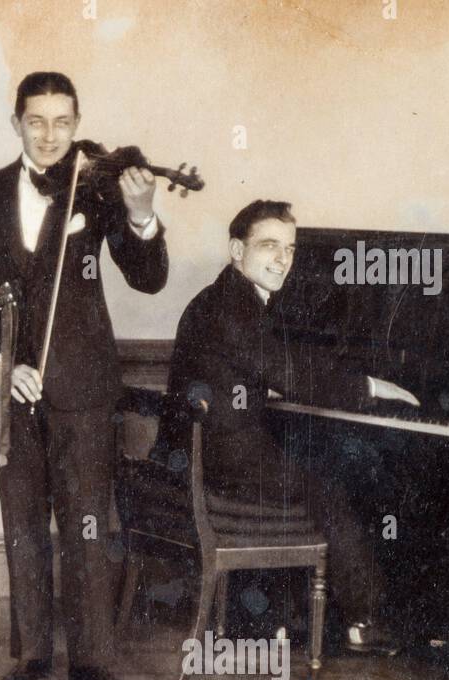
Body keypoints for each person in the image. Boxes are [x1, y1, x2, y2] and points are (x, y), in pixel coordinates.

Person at [0, 72, 170, 680]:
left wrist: (143, 216)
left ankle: (94, 661)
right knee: (22, 522)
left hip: (86, 385)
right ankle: (33, 654)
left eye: (62, 122)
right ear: (16, 122)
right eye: (36, 121)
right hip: (10, 385)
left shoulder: (95, 190)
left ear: (77, 122)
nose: (50, 135)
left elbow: (147, 279)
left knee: (89, 521)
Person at [161, 199, 417, 653]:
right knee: (332, 488)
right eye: (269, 246)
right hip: (222, 465)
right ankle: (362, 622)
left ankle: (280, 618)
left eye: (291, 248)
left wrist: (269, 388)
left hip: (202, 454)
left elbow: (254, 369)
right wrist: (373, 387)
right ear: (237, 250)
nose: (283, 259)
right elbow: (292, 371)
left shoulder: (221, 298)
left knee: (323, 472)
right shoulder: (234, 307)